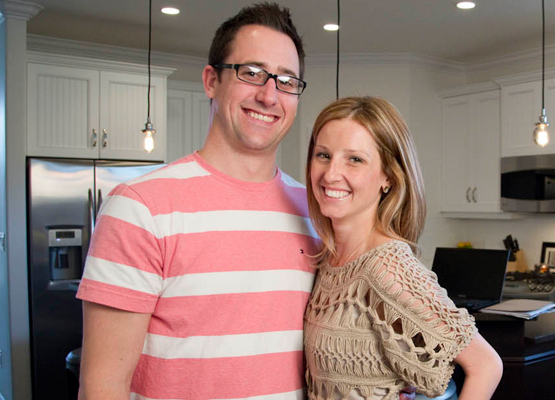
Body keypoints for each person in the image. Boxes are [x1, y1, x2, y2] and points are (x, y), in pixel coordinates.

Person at [76, 3, 318, 400]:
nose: (269, 95)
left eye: (287, 81)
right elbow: (102, 387)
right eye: (251, 73)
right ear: (211, 80)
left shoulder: (314, 213)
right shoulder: (139, 207)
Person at [303, 97, 503, 400]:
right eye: (323, 155)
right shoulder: (332, 260)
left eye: (354, 159)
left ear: (388, 177)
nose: (331, 174)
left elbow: (486, 365)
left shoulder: (386, 266)